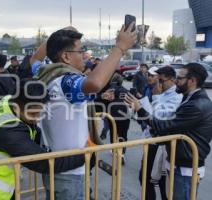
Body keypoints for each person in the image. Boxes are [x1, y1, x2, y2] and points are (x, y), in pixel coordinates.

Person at [30, 24, 136, 199]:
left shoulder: (45, 73)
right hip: (69, 173)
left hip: (54, 164)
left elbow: (34, 59)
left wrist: (57, 35)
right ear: (66, 56)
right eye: (81, 51)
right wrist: (120, 47)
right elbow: (94, 83)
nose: (85, 56)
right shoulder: (65, 81)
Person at [0, 79, 88, 200]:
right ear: (16, 106)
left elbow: (30, 130)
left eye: (40, 113)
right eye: (32, 113)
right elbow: (43, 163)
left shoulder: (9, 100)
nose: (37, 119)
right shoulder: (9, 133)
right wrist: (84, 155)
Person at [125, 63, 212, 200]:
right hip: (177, 160)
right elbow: (170, 126)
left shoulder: (196, 104)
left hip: (186, 166)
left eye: (180, 78)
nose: (177, 81)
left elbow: (164, 124)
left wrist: (141, 108)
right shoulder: (189, 98)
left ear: (192, 81)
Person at [137, 66, 183, 200]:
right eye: (157, 79)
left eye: (161, 80)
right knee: (150, 179)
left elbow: (159, 119)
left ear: (173, 80)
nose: (159, 83)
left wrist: (155, 98)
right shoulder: (160, 92)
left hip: (162, 143)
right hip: (152, 139)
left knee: (154, 180)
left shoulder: (176, 96)